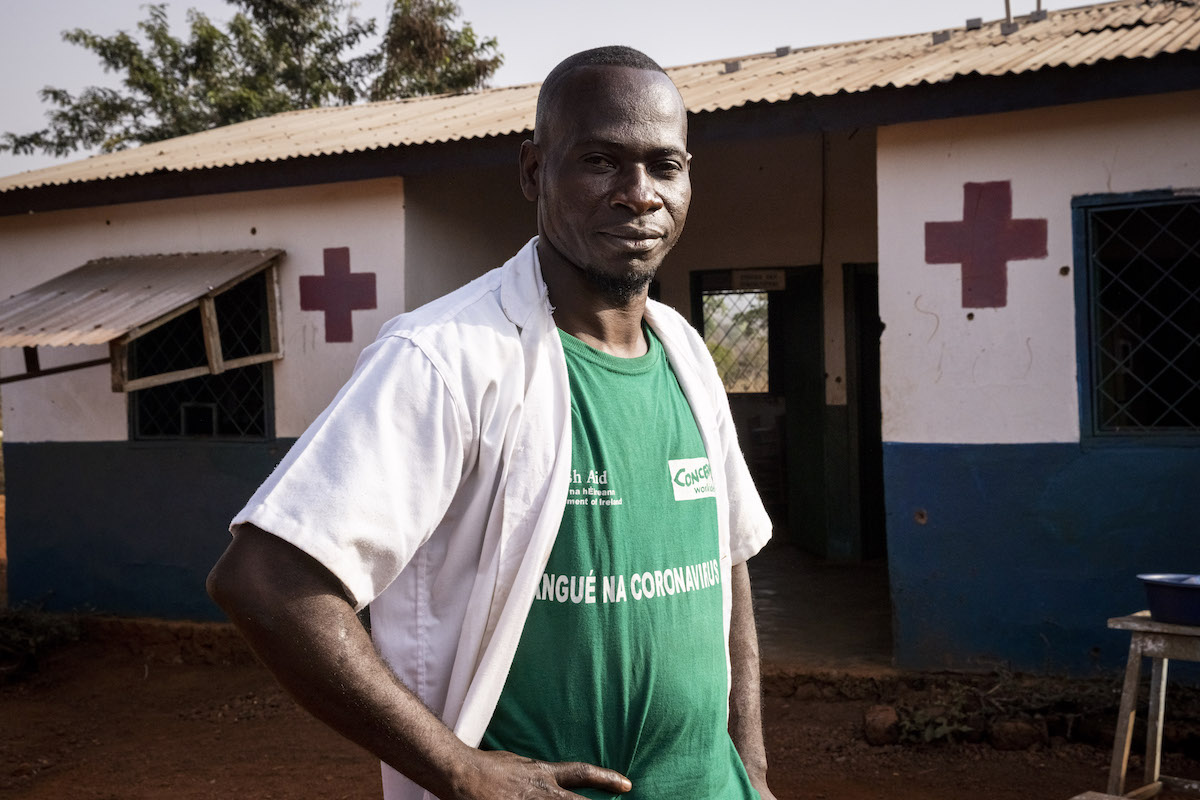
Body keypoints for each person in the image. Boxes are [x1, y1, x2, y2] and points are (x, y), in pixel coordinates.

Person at [207, 45, 776, 800]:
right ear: (534, 170)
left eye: (664, 166)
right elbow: (265, 578)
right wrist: (459, 768)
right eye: (601, 161)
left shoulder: (687, 353)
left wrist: (751, 767)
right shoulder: (443, 359)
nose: (639, 194)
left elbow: (725, 562)